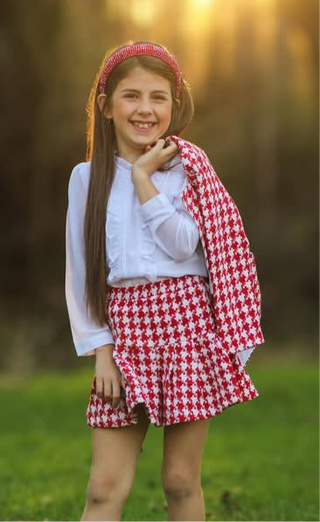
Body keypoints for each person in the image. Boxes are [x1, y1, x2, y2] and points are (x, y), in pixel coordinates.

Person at [65, 40, 264, 522]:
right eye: (131, 96)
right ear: (106, 106)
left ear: (174, 106)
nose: (145, 109)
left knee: (179, 480)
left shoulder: (188, 171)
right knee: (104, 486)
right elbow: (80, 273)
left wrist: (144, 181)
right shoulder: (85, 179)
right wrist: (102, 354)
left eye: (158, 97)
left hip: (186, 329)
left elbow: (185, 246)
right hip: (125, 332)